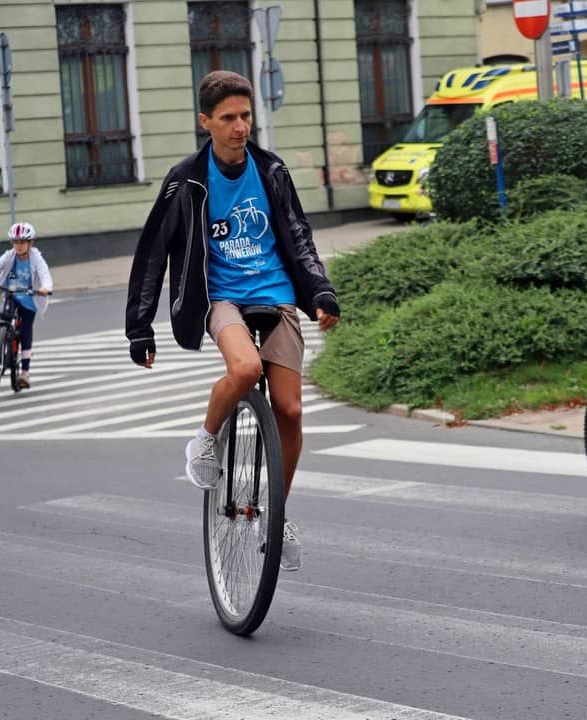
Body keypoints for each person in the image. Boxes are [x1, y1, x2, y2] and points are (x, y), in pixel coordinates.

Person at [126, 70, 340, 572]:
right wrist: (139, 327)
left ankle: (275, 514)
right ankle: (204, 439)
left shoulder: (271, 170)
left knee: (290, 410)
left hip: (276, 293)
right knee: (245, 369)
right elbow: (153, 252)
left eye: (246, 116)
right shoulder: (186, 179)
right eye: (228, 118)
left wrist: (320, 292)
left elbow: (299, 235)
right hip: (220, 296)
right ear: (205, 122)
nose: (240, 126)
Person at [0, 222, 53, 389]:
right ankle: (0, 339)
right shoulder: (10, 256)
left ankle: (24, 373)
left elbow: (45, 275)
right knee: (4, 317)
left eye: (22, 242)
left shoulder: (36, 258)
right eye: (15, 242)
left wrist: (45, 288)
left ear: (30, 243)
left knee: (25, 331)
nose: (19, 246)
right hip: (12, 294)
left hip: (29, 299)